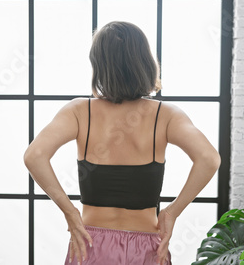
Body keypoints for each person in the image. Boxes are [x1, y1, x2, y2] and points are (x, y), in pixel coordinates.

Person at [23, 21, 220, 265]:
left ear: (99, 64)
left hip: (91, 245)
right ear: (145, 62)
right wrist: (172, 211)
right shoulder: (167, 115)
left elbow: (34, 155)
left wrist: (70, 212)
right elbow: (209, 159)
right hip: (147, 247)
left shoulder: (78, 111)